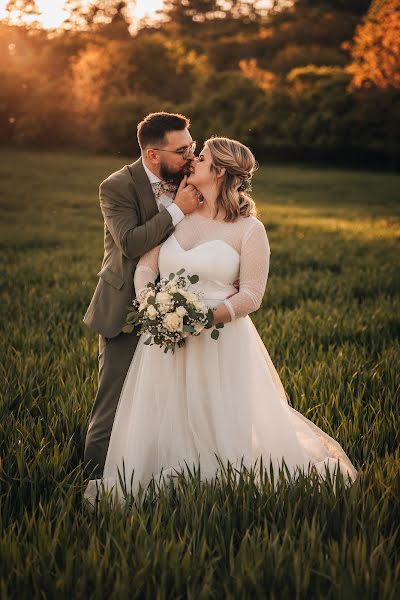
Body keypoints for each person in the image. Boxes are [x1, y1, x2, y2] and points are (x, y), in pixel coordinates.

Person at [84, 136, 358, 504]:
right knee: (165, 414)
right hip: (164, 338)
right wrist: (154, 307)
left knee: (216, 418)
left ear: (220, 171)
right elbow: (146, 267)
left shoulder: (248, 229)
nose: (192, 159)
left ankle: (221, 486)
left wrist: (199, 319)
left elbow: (251, 296)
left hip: (220, 339)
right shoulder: (176, 214)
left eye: (202, 156)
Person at [83, 112, 199, 480]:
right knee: (114, 401)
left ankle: (160, 475)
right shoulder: (116, 187)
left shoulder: (190, 177)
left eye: (192, 146)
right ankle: (94, 482)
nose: (191, 157)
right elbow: (131, 243)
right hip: (125, 309)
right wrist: (179, 209)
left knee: (173, 401)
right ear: (152, 155)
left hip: (182, 309)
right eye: (182, 151)